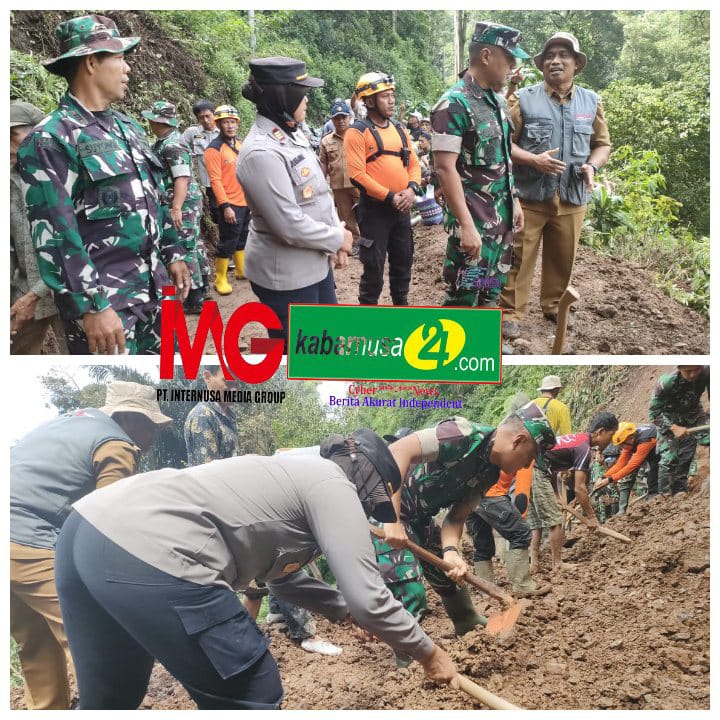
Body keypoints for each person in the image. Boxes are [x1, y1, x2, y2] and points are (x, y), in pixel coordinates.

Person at [54, 430, 458, 709]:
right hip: (152, 543)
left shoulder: (292, 479)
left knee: (112, 698)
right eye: (375, 499)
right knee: (252, 690)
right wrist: (430, 653)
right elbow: (370, 597)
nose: (371, 509)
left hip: (84, 531)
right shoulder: (332, 484)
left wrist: (341, 609)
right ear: (366, 475)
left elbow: (280, 579)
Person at [16, 14, 190, 355]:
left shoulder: (127, 128)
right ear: (91, 62)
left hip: (154, 290)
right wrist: (91, 305)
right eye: (120, 58)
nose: (127, 69)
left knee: (166, 382)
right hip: (107, 308)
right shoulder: (52, 138)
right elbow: (56, 234)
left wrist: (173, 251)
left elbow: (151, 195)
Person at [10, 381, 170, 709]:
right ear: (127, 419)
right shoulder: (115, 444)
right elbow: (106, 524)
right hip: (30, 543)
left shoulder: (69, 422)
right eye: (150, 427)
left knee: (37, 647)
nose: (153, 437)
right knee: (96, 641)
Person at [183, 366, 341, 656]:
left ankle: (274, 616)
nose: (232, 387)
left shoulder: (226, 414)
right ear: (207, 378)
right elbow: (205, 473)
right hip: (224, 508)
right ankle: (304, 632)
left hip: (238, 500)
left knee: (262, 570)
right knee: (281, 555)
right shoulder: (202, 417)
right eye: (225, 379)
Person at [382, 405, 556, 636]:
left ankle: (466, 621)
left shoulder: (490, 473)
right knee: (408, 586)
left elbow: (456, 517)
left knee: (450, 576)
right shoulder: (462, 435)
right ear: (518, 441)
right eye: (530, 457)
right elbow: (397, 451)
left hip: (419, 518)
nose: (526, 465)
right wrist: (391, 519)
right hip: (383, 508)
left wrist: (451, 551)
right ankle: (407, 659)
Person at [500, 32, 612, 342]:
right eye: (549, 56)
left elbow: (602, 145)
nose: (555, 60)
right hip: (530, 196)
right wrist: (533, 160)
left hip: (572, 196)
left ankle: (554, 307)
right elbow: (503, 144)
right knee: (518, 258)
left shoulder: (591, 102)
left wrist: (592, 166)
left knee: (563, 259)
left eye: (563, 55)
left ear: (576, 63)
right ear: (541, 64)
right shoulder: (523, 98)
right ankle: (510, 313)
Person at [236, 57, 353, 349]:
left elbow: (316, 194)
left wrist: (332, 241)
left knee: (327, 342)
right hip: (286, 276)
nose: (308, 100)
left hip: (312, 262)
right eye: (302, 92)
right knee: (304, 351)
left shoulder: (291, 132)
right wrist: (338, 237)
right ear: (282, 95)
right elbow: (288, 224)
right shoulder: (260, 152)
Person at [431, 22, 526, 318]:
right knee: (464, 296)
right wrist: (467, 226)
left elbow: (504, 158)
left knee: (490, 291)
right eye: (509, 58)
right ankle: (452, 357)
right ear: (486, 55)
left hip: (501, 221)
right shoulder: (453, 104)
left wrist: (516, 202)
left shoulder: (496, 102)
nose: (513, 66)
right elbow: (445, 169)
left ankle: (481, 352)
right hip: (474, 225)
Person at [344, 72, 421, 306]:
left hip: (402, 210)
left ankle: (401, 309)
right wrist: (389, 197)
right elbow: (357, 174)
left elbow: (414, 163)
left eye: (392, 96)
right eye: (385, 97)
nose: (391, 101)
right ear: (369, 101)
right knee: (374, 268)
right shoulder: (357, 132)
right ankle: (369, 314)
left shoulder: (399, 129)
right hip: (375, 211)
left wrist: (411, 190)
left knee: (403, 261)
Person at [10, 100, 67, 354]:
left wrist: (36, 293)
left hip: (68, 291)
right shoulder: (10, 178)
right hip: (24, 291)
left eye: (12, 135)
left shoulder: (65, 174)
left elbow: (74, 243)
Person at [143, 100, 207, 314]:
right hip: (184, 201)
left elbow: (182, 177)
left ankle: (194, 296)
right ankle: (201, 287)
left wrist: (176, 207)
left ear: (157, 120)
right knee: (193, 243)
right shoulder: (165, 141)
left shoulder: (172, 144)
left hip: (183, 202)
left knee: (184, 246)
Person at [466, 466, 551, 598]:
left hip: (467, 496)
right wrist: (519, 522)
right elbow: (522, 493)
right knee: (521, 533)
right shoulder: (527, 450)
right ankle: (522, 586)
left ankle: (486, 590)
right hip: (491, 494)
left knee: (482, 545)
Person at [204, 104, 250, 295]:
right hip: (229, 204)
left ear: (237, 124)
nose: (230, 126)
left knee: (243, 237)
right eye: (225, 122)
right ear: (219, 124)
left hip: (245, 201)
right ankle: (220, 278)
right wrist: (225, 206)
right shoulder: (214, 149)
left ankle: (241, 271)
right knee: (228, 241)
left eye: (232, 122)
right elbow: (215, 181)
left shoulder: (240, 145)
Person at [648, 365, 709, 497]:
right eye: (688, 371)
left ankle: (681, 490)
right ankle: (665, 497)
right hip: (668, 418)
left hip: (694, 414)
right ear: (680, 368)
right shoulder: (666, 382)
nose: (693, 375)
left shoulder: (707, 373)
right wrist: (674, 428)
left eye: (696, 370)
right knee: (670, 457)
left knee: (709, 438)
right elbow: (654, 414)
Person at [319, 99, 361, 255]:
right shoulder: (326, 141)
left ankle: (370, 242)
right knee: (346, 217)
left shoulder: (359, 135)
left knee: (365, 214)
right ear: (332, 120)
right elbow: (323, 163)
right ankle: (356, 243)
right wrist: (320, 183)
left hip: (359, 184)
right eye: (337, 118)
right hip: (338, 186)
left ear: (349, 118)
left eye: (344, 117)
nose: (341, 121)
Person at [592, 422, 659, 513]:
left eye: (622, 445)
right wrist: (604, 477)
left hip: (665, 449)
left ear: (631, 439)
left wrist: (609, 480)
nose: (622, 448)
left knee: (655, 474)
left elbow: (631, 466)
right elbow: (621, 463)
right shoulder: (630, 442)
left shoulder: (645, 441)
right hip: (654, 453)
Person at [181, 99, 220, 223]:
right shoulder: (192, 132)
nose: (206, 120)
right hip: (209, 182)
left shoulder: (224, 131)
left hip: (226, 180)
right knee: (215, 209)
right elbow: (179, 146)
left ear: (214, 114)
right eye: (201, 117)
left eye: (208, 116)